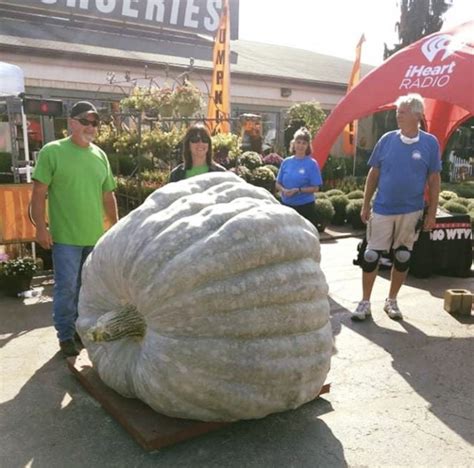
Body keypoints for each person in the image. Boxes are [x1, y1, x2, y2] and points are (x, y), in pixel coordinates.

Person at [31, 101, 118, 357]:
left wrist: (116, 226)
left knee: (87, 290)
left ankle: (81, 331)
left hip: (94, 238)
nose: (90, 127)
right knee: (66, 287)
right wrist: (40, 228)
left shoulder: (100, 155)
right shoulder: (52, 151)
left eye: (94, 122)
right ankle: (66, 335)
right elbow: (38, 194)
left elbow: (107, 196)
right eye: (85, 121)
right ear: (71, 122)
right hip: (66, 238)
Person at [351, 93, 441, 322]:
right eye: (397, 112)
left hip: (412, 210)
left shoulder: (430, 143)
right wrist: (365, 203)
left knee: (402, 256)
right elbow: (374, 173)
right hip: (382, 208)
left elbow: (434, 179)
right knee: (370, 256)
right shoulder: (387, 139)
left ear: (417, 115)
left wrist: (432, 212)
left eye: (402, 112)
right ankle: (365, 302)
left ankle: (391, 301)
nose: (397, 115)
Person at [275, 127, 323, 226]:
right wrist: (283, 190)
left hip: (305, 208)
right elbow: (277, 183)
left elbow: (316, 187)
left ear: (307, 146)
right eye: (298, 142)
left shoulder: (312, 164)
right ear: (294, 143)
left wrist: (298, 190)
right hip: (286, 206)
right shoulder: (286, 162)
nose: (300, 145)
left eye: (304, 143)